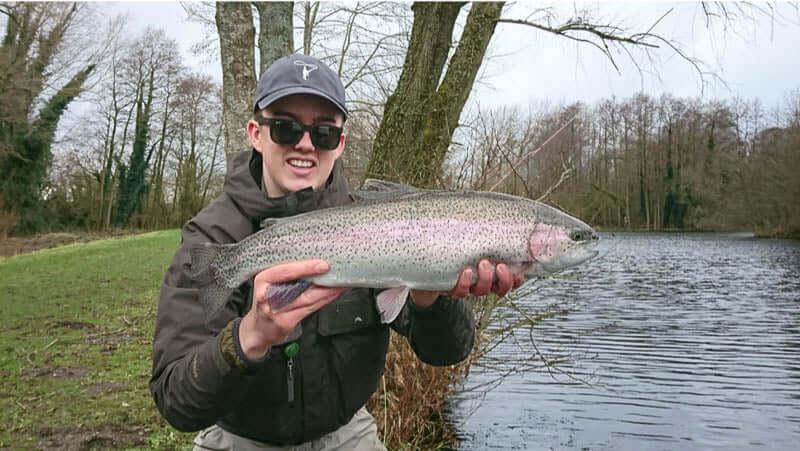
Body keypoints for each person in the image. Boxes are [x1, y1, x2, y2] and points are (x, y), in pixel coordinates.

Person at [149, 54, 522, 450]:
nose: (306, 144)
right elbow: (177, 402)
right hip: (239, 437)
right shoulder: (212, 238)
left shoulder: (382, 224)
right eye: (286, 128)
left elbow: (447, 352)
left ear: (340, 143)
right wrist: (250, 337)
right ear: (256, 134)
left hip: (347, 434)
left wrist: (430, 293)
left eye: (324, 133)